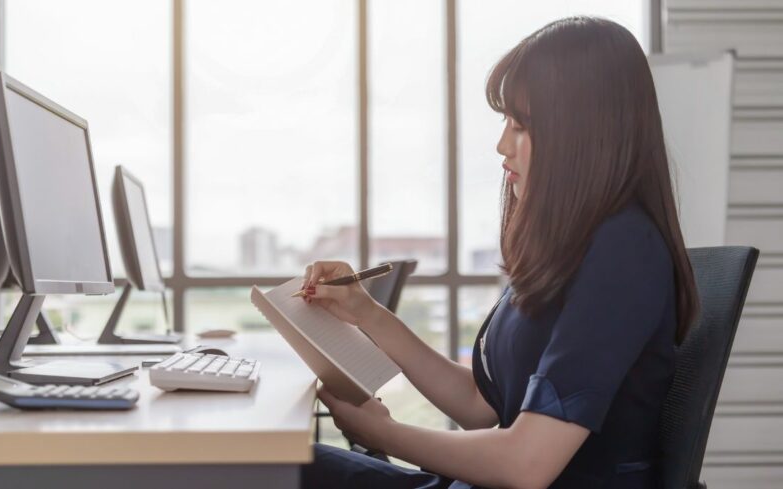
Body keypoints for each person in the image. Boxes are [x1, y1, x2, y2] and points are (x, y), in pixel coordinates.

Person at [299, 16, 699, 489]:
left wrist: (384, 432)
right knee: (286, 464)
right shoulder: (580, 248)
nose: (502, 145)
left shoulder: (624, 254)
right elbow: (477, 404)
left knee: (273, 470)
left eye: (520, 126)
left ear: (582, 133)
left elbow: (526, 464)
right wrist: (365, 313)